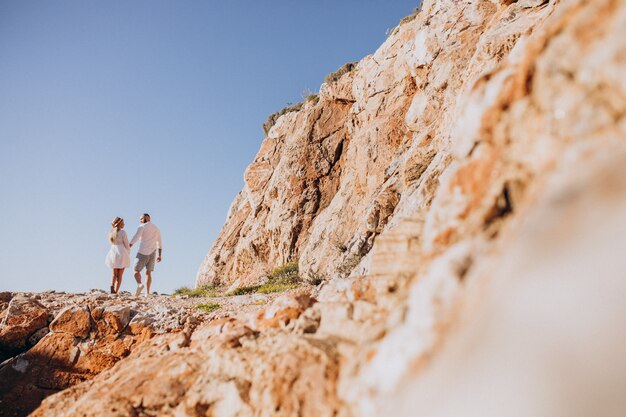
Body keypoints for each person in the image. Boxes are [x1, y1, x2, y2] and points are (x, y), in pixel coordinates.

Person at [129, 213, 162, 296]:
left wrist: (129, 246)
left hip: (142, 251)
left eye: (141, 219)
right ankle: (147, 292)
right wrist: (159, 255)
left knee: (135, 270)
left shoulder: (142, 226)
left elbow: (136, 237)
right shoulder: (157, 229)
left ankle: (140, 284)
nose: (140, 220)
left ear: (147, 218)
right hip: (153, 253)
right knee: (148, 272)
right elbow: (160, 242)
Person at [104, 216, 130, 294]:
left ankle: (112, 286)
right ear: (119, 224)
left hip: (113, 252)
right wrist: (128, 252)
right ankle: (116, 290)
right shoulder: (123, 232)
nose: (124, 224)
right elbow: (126, 244)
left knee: (114, 273)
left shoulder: (111, 232)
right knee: (120, 274)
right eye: (123, 223)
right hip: (122, 252)